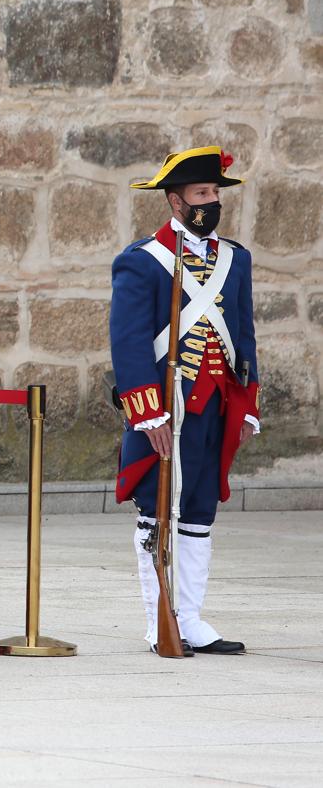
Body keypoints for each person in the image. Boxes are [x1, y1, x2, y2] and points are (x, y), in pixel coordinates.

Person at [111, 145, 258, 655]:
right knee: (156, 511)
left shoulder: (236, 259)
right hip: (166, 410)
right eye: (201, 193)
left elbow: (243, 334)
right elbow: (128, 344)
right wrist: (145, 412)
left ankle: (190, 618)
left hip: (215, 406)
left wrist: (248, 404)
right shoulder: (142, 261)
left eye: (215, 192)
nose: (211, 201)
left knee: (198, 512)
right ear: (175, 202)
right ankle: (160, 622)